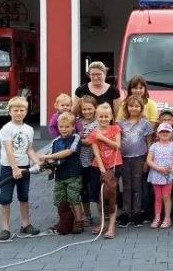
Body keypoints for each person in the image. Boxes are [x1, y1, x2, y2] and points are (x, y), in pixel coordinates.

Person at [0, 96, 42, 241]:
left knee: (24, 196)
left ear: (26, 112)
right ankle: (5, 228)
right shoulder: (6, 129)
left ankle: (25, 224)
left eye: (22, 110)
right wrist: (14, 169)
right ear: (10, 111)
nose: (19, 113)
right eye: (15, 110)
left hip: (24, 167)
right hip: (9, 167)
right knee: (5, 198)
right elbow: (9, 150)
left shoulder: (29, 130)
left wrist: (38, 163)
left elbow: (29, 150)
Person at [39, 112, 85, 234]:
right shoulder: (55, 141)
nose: (64, 129)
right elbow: (51, 158)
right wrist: (47, 162)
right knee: (60, 200)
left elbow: (69, 151)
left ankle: (79, 221)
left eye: (67, 126)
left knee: (74, 198)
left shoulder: (76, 138)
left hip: (73, 175)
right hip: (60, 177)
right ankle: (64, 220)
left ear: (73, 127)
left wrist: (47, 156)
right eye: (61, 127)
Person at [117, 94, 154, 228]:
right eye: (131, 105)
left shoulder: (145, 124)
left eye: (137, 106)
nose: (134, 108)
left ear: (141, 108)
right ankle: (127, 212)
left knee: (138, 185)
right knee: (126, 186)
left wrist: (147, 161)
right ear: (127, 107)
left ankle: (137, 212)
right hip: (124, 158)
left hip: (140, 158)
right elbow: (118, 142)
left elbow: (149, 143)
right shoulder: (120, 124)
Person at [88, 103, 121, 239]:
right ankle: (103, 222)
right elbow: (96, 152)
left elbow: (117, 146)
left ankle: (112, 226)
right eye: (100, 116)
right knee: (100, 196)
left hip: (114, 165)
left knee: (112, 195)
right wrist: (102, 170)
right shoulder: (93, 133)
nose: (103, 119)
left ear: (111, 117)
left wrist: (104, 138)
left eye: (106, 116)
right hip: (99, 167)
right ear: (96, 117)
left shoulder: (115, 128)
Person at [146, 123, 173, 229]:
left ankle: (167, 218)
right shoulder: (154, 146)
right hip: (156, 175)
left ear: (171, 134)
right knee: (158, 197)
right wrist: (158, 168)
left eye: (167, 131)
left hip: (168, 176)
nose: (164, 133)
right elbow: (149, 160)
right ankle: (157, 218)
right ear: (158, 133)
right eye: (162, 131)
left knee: (166, 197)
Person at [76, 95, 99, 229]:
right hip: (81, 162)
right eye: (84, 109)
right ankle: (88, 215)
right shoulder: (77, 122)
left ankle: (102, 214)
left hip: (96, 161)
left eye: (90, 108)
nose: (87, 111)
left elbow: (95, 139)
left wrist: (84, 139)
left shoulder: (99, 122)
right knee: (83, 189)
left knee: (95, 188)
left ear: (95, 109)